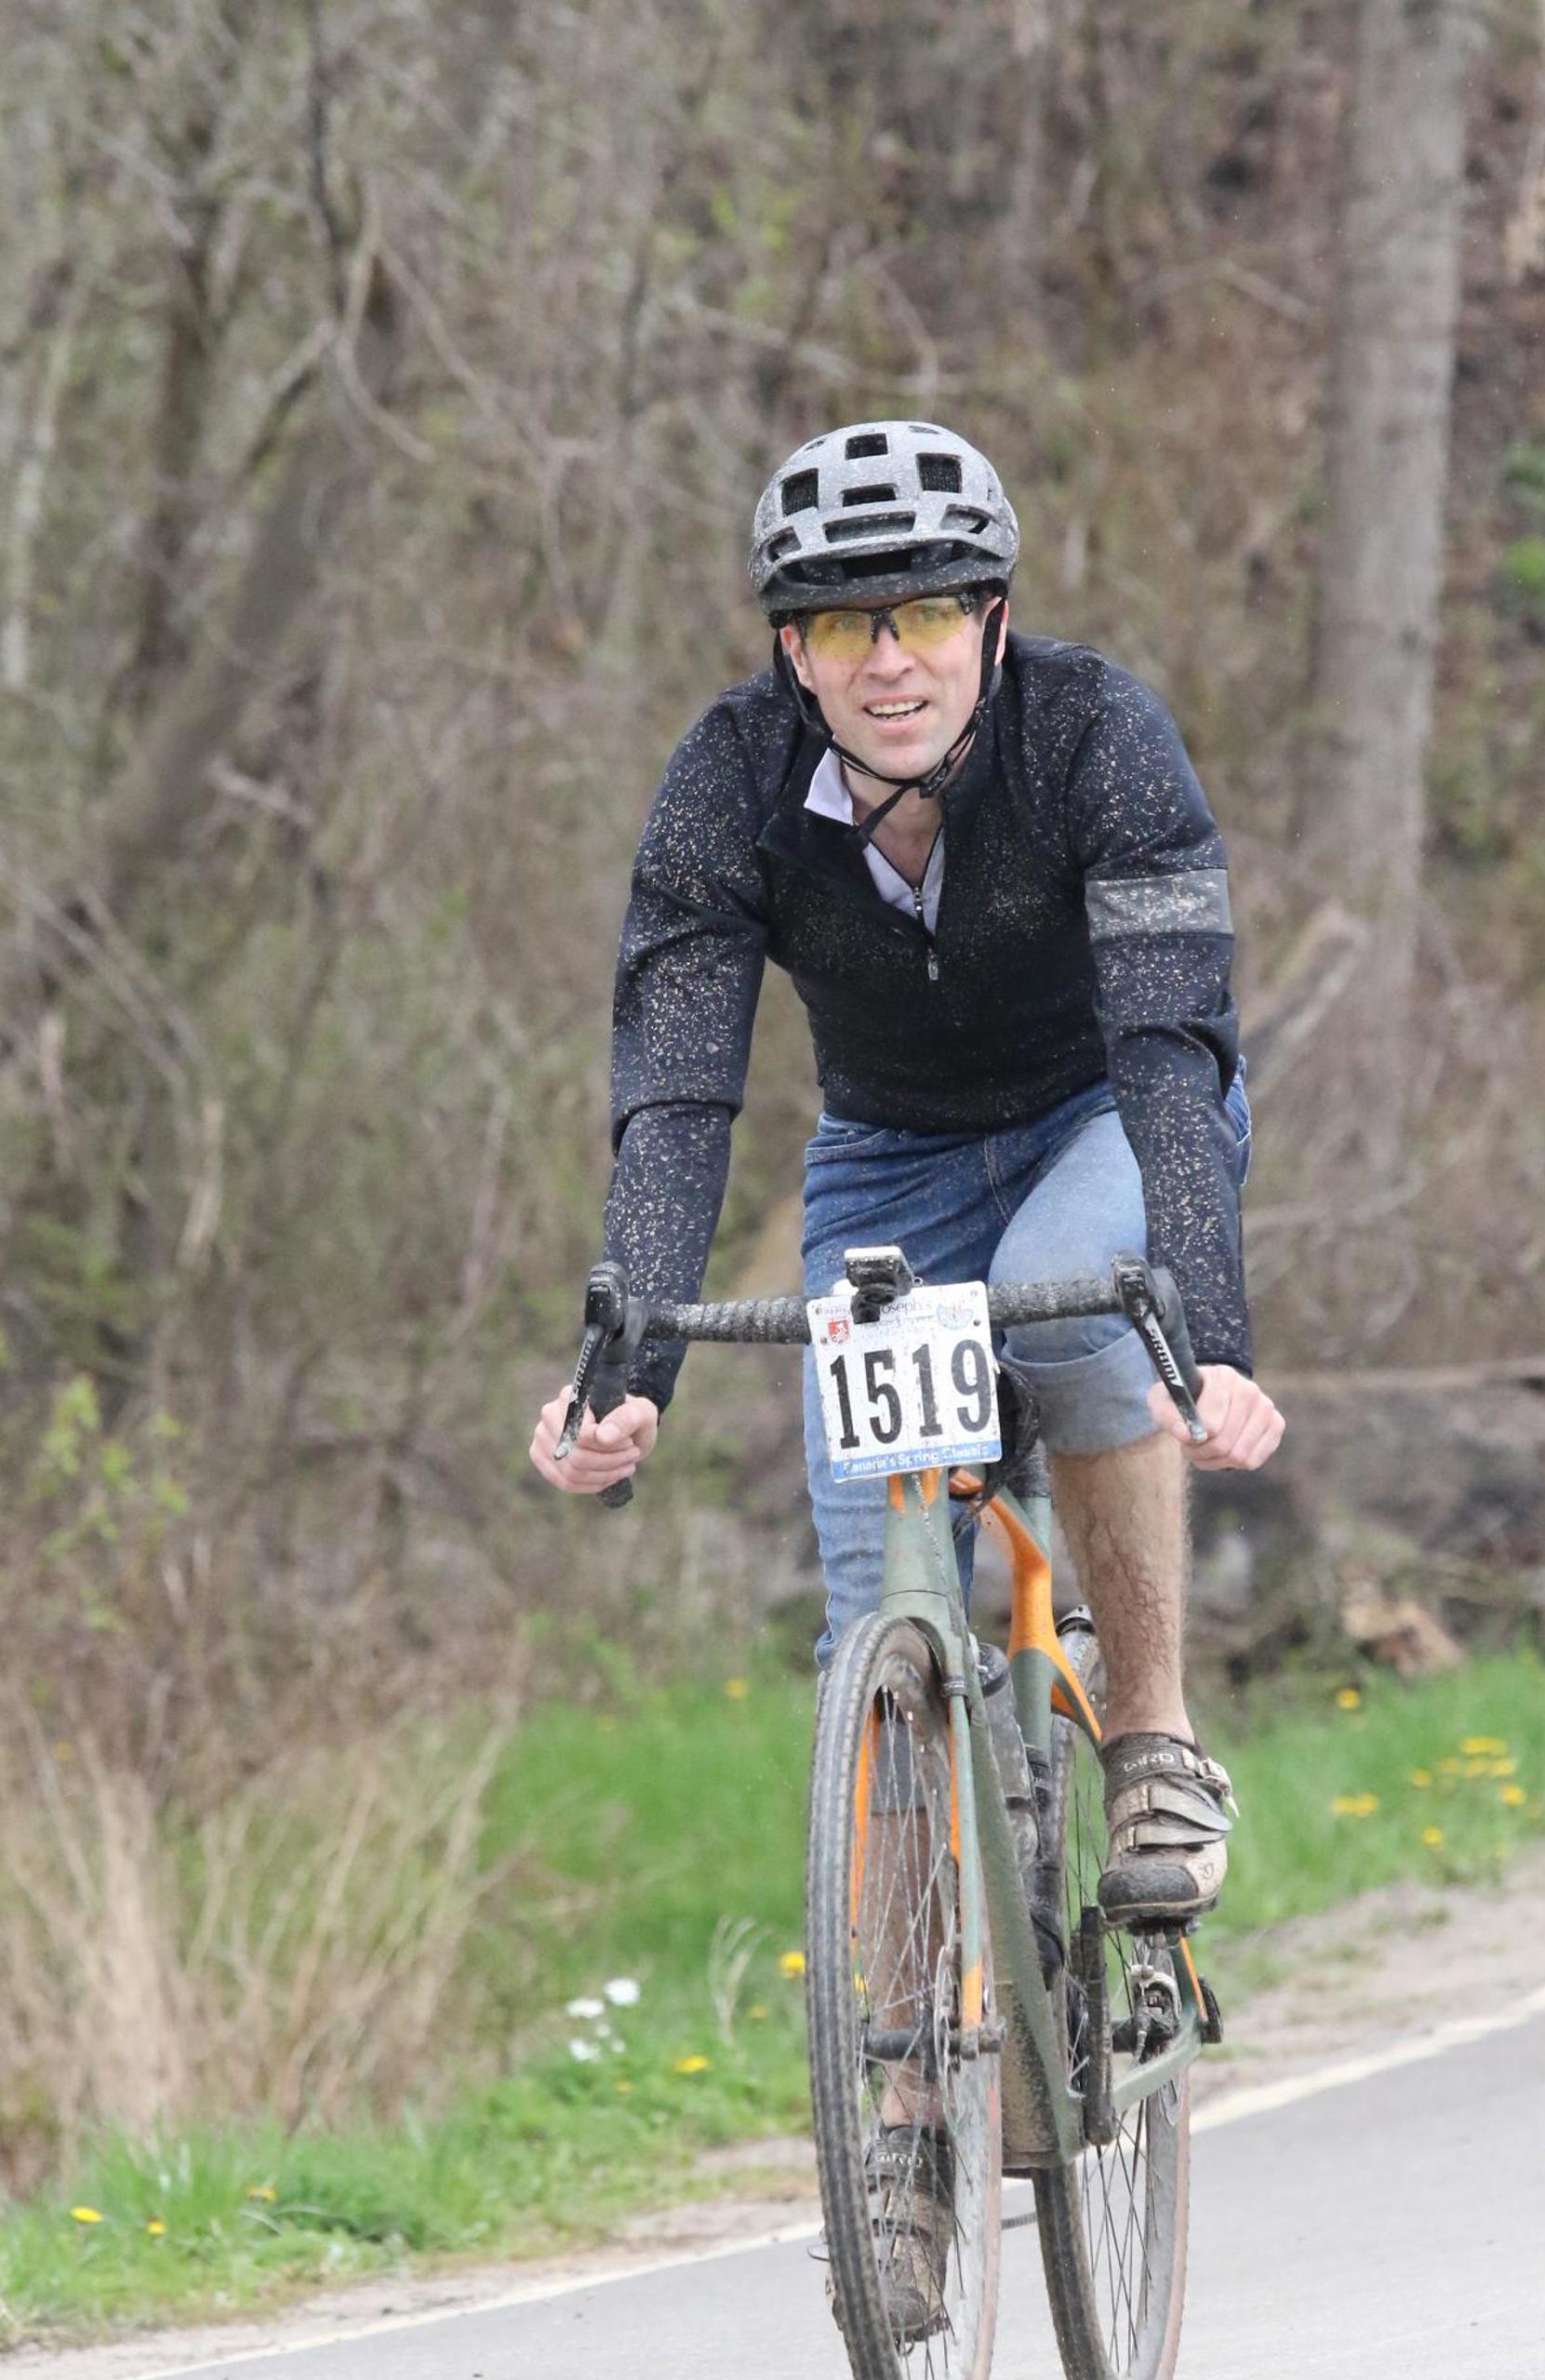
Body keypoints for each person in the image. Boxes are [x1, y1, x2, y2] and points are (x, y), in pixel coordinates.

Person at [531, 419, 1283, 1928]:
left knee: (1057, 1309)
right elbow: (678, 1098)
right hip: (888, 1162)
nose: (889, 663)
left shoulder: (1096, 738)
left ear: (990, 622)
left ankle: (1149, 1738)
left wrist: (1203, 1339)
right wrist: (626, 1373)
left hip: (1104, 1114)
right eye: (837, 626)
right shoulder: (725, 782)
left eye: (927, 613)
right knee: (875, 1615)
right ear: (789, 654)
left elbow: (1165, 1050)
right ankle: (908, 2090)